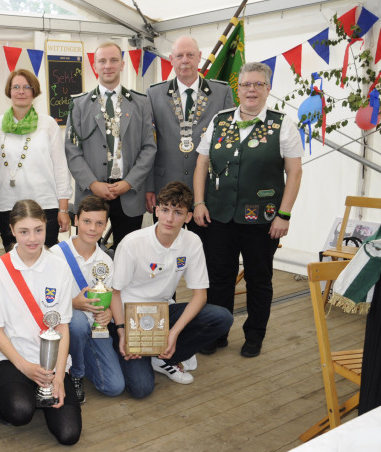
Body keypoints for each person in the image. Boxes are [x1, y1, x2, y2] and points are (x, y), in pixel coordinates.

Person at [193, 62, 303, 358]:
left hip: (263, 221)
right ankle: (217, 333)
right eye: (245, 85)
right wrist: (199, 202)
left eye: (258, 84)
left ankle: (254, 335)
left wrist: (284, 214)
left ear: (268, 89)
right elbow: (202, 163)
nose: (251, 90)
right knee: (219, 278)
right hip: (219, 216)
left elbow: (294, 173)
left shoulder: (284, 125)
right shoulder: (219, 119)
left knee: (259, 278)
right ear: (237, 89)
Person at [109, 182, 233, 391]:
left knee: (222, 317)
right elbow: (115, 293)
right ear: (156, 210)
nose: (169, 218)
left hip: (163, 312)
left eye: (177, 212)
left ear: (188, 217)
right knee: (141, 388)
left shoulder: (192, 241)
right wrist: (122, 331)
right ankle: (146, 349)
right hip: (129, 315)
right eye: (165, 210)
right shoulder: (132, 243)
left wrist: (173, 333)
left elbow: (200, 295)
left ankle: (165, 356)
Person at [0, 199, 81, 445]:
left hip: (52, 363)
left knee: (69, 434)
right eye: (24, 231)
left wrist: (58, 376)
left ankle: (42, 393)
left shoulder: (59, 267)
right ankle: (11, 397)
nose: (32, 238)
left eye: (38, 230)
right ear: (12, 230)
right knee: (19, 412)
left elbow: (62, 326)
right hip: (12, 360)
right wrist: (25, 367)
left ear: (46, 227)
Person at [66, 41, 156, 248]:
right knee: (87, 253)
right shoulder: (79, 105)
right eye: (102, 61)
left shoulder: (141, 103)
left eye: (114, 60)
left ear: (122, 64)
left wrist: (129, 182)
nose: (108, 65)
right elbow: (72, 150)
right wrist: (92, 183)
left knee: (128, 254)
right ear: (94, 66)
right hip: (91, 193)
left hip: (129, 193)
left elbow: (149, 148)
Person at [145, 35, 234, 235]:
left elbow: (229, 143)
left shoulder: (222, 92)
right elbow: (148, 144)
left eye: (190, 55)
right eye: (179, 55)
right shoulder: (154, 94)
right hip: (165, 189)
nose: (185, 60)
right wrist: (149, 187)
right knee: (165, 253)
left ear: (199, 57)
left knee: (204, 254)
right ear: (171, 59)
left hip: (208, 192)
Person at [51, 195, 124, 403]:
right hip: (66, 328)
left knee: (114, 387)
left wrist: (108, 312)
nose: (92, 228)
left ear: (105, 225)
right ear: (76, 221)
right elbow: (45, 300)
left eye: (99, 223)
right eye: (87, 221)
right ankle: (76, 373)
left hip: (94, 330)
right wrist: (74, 304)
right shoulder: (56, 255)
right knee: (77, 322)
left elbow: (108, 298)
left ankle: (79, 357)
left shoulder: (106, 261)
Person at [0, 69, 72, 251]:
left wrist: (63, 209)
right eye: (16, 87)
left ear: (34, 91)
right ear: (9, 91)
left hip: (45, 204)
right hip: (7, 206)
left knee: (46, 258)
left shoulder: (48, 123)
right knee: (14, 259)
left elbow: (60, 167)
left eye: (27, 87)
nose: (21, 91)